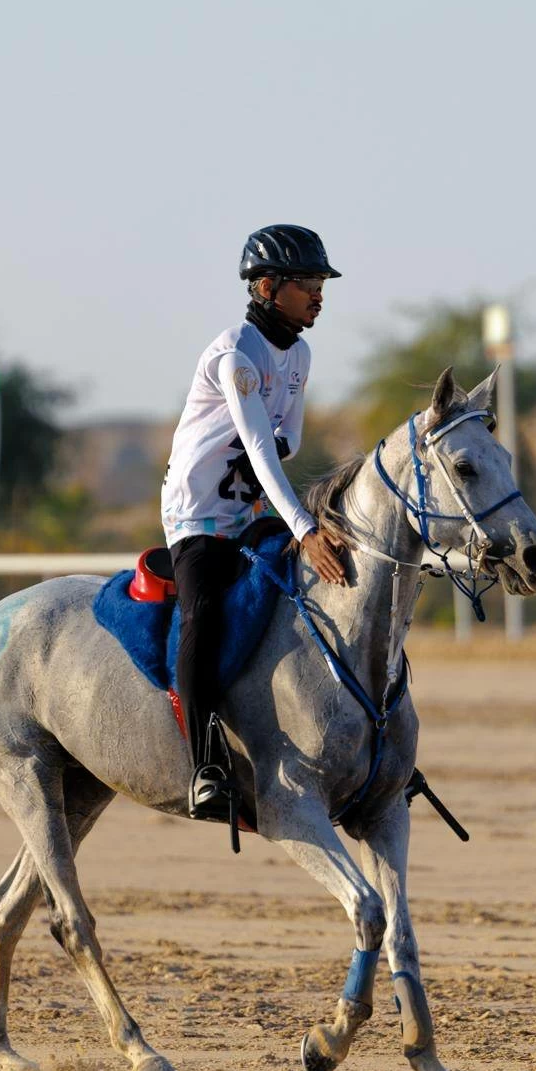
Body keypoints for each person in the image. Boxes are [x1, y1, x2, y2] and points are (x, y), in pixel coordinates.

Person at [161, 224, 346, 822]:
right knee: (205, 616)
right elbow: (264, 447)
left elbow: (290, 437)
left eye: (321, 282)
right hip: (197, 517)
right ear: (267, 287)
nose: (319, 294)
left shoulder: (301, 354)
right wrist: (305, 528)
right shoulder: (235, 354)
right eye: (307, 283)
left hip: (251, 514)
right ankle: (205, 767)